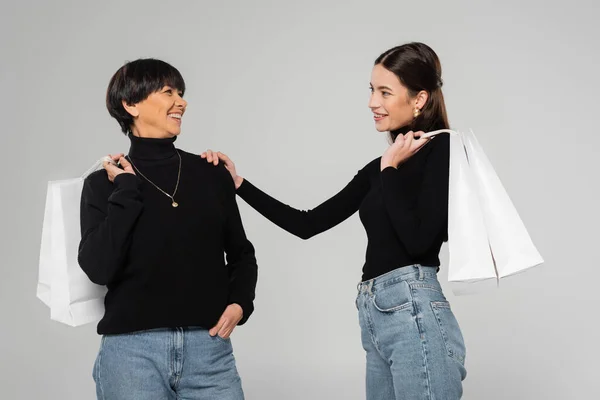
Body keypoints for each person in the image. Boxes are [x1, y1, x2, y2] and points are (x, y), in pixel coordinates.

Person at [202, 42, 467, 399]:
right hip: (375, 316)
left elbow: (419, 242)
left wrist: (390, 169)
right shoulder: (377, 171)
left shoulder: (442, 150)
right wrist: (239, 185)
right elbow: (306, 224)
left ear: (419, 99)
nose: (373, 102)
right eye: (372, 90)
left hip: (415, 310)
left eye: (385, 92)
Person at [78, 58, 257, 400]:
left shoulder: (210, 173)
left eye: (181, 93)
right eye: (168, 92)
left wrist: (240, 303)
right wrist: (127, 191)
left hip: (208, 351)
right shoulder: (103, 184)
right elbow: (99, 267)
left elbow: (241, 254)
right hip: (132, 354)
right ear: (130, 104)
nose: (182, 102)